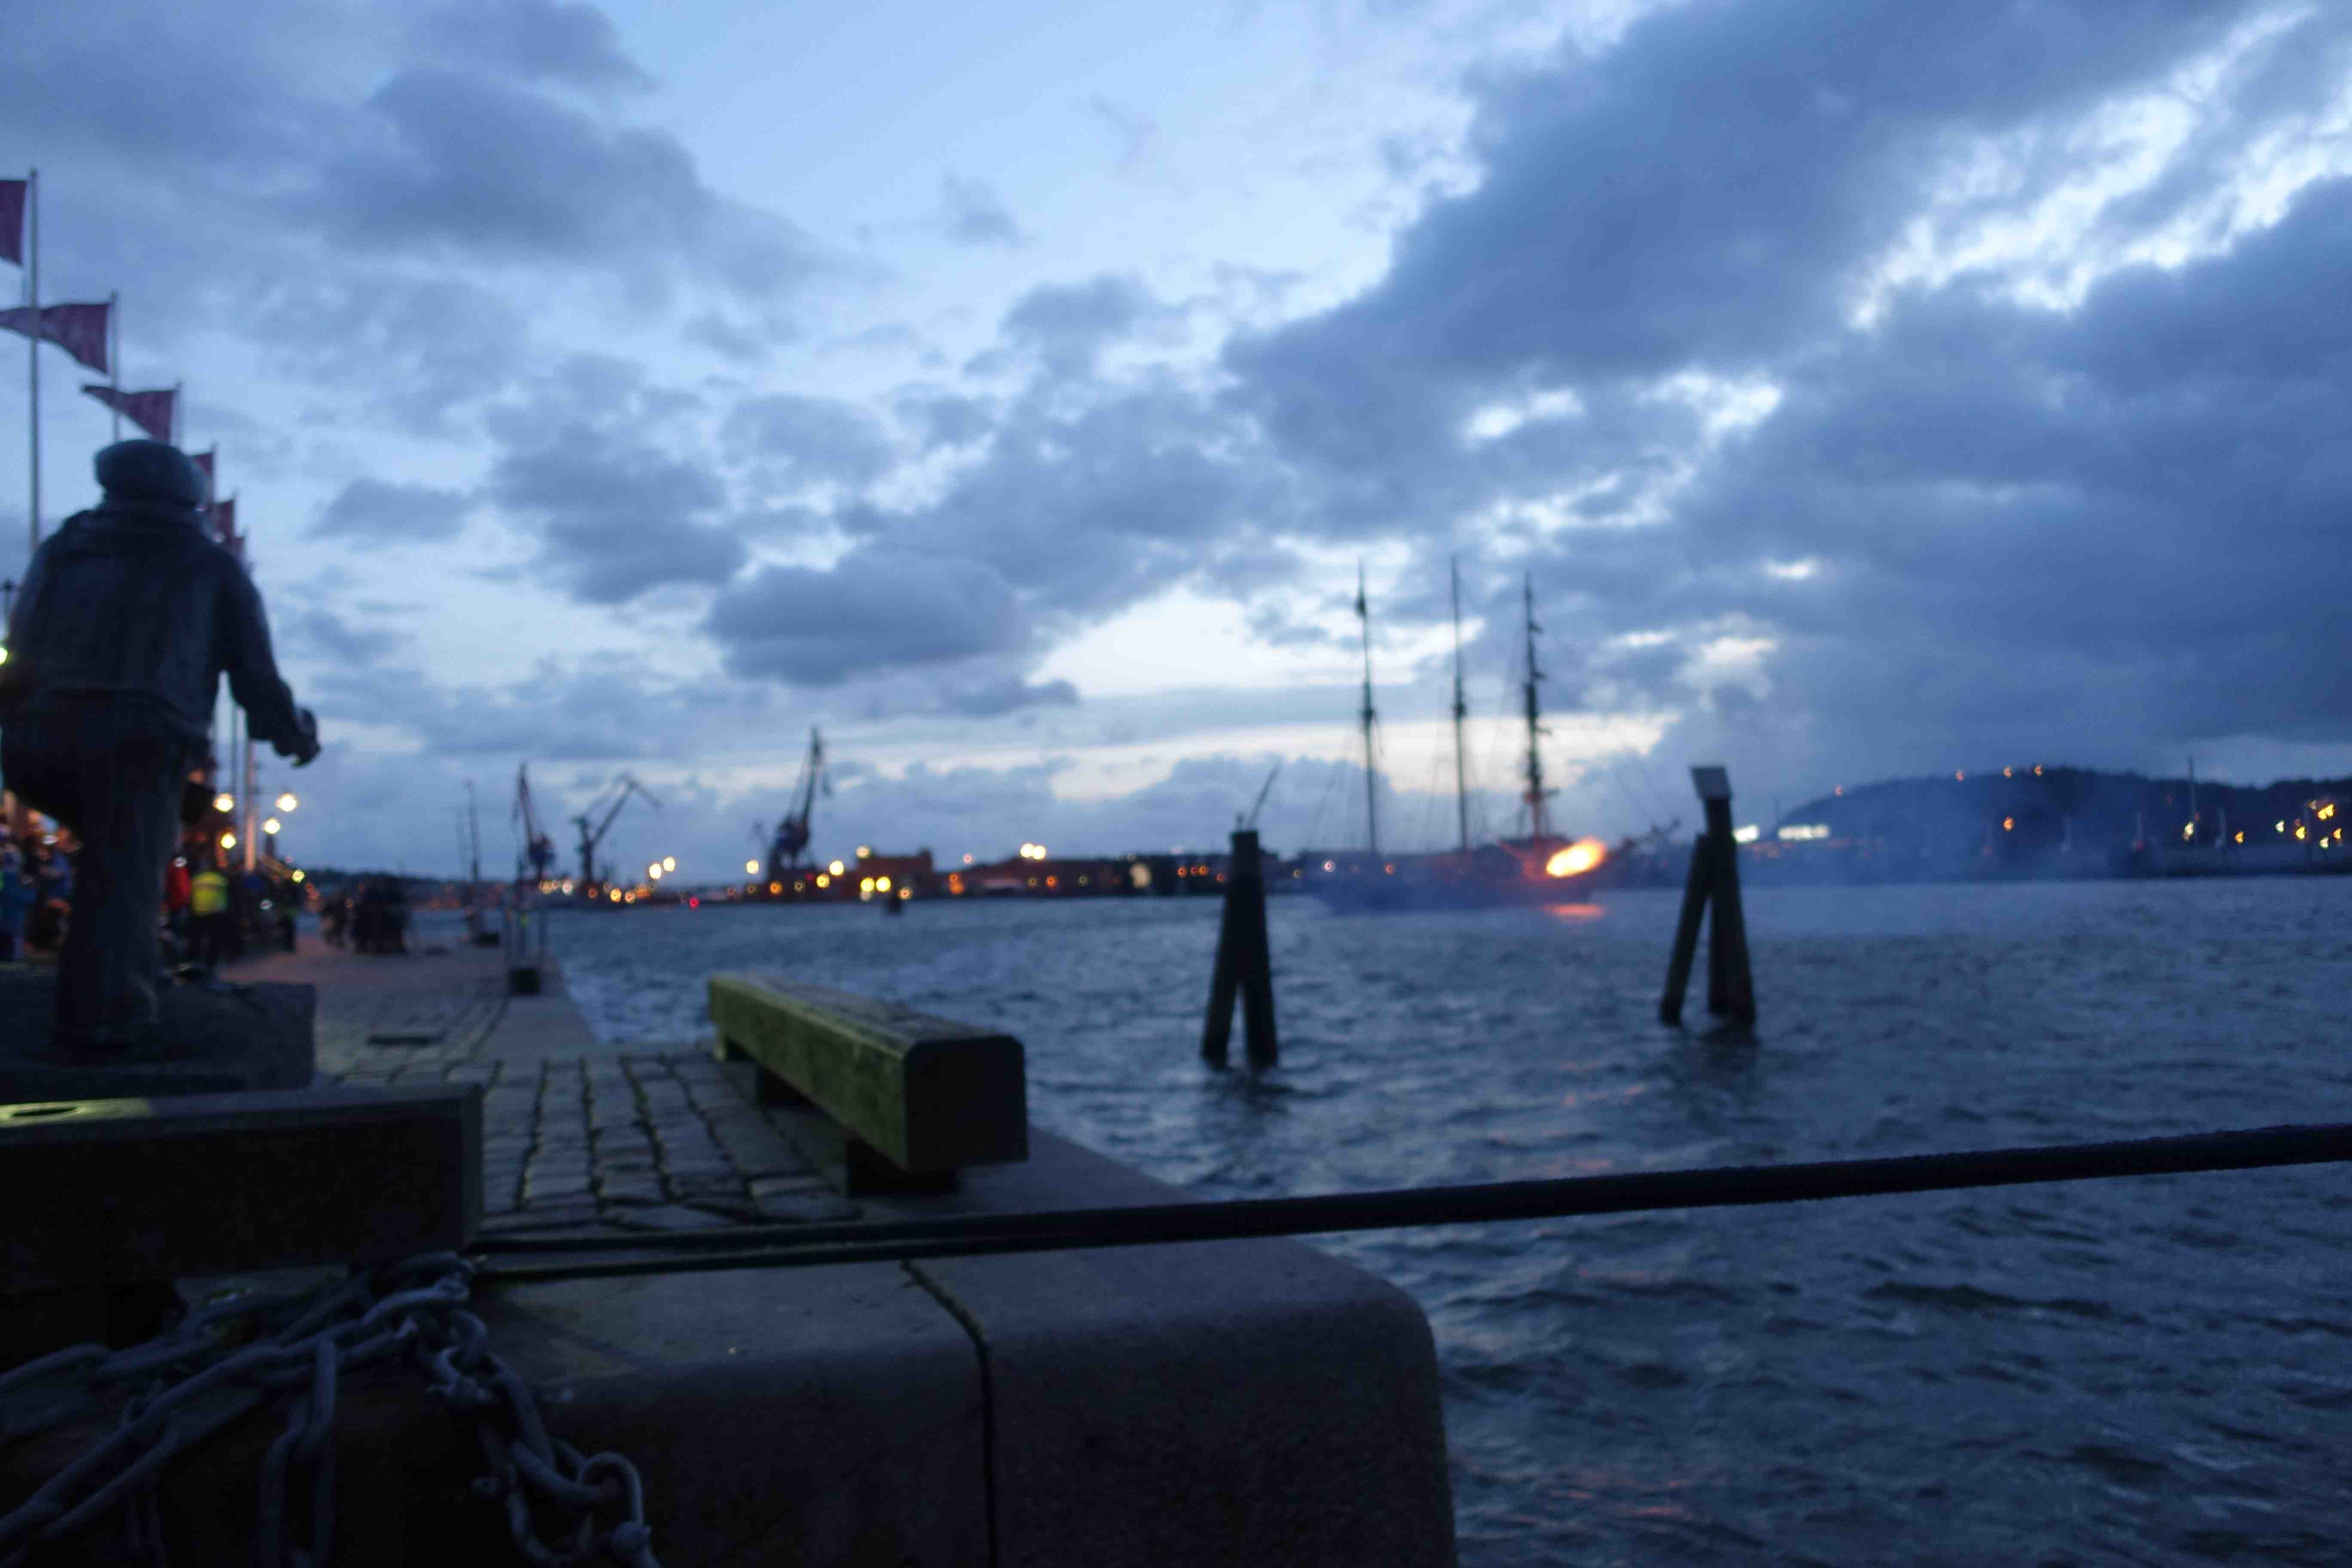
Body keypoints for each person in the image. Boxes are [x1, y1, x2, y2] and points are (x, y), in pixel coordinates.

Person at [0, 440, 319, 1049]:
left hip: (34, 742)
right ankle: (113, 1022)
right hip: (135, 741)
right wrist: (297, 734)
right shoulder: (209, 564)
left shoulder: (62, 551)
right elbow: (257, 680)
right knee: (126, 873)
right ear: (188, 503)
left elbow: (19, 643)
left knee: (108, 861)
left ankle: (122, 982)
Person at [188, 858, 233, 976]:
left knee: (196, 940)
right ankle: (210, 964)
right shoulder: (221, 880)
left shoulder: (197, 880)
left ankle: (192, 963)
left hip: (199, 912)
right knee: (214, 941)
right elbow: (229, 896)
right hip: (216, 914)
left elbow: (189, 895)